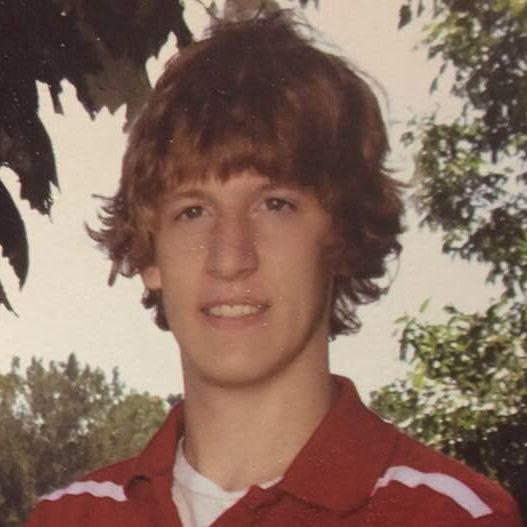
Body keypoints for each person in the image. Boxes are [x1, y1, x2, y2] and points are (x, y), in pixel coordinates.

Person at [25, 10, 522, 527]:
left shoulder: (447, 515)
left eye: (275, 205)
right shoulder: (70, 518)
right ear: (150, 257)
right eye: (193, 212)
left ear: (342, 234)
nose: (230, 258)